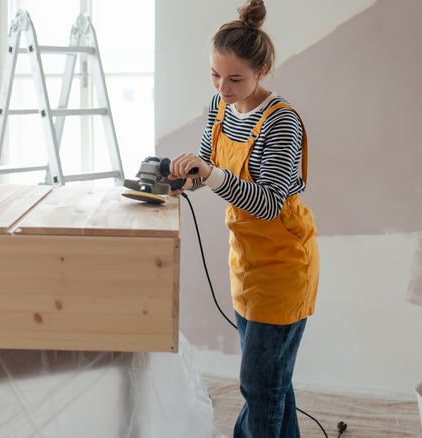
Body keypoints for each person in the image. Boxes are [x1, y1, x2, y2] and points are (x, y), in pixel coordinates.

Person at [167, 0, 320, 436]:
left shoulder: (281, 122)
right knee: (271, 381)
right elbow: (209, 168)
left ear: (263, 69)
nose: (223, 87)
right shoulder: (220, 107)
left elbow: (269, 202)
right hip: (246, 260)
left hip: (284, 263)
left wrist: (210, 175)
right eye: (215, 75)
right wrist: (185, 178)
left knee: (258, 382)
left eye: (235, 78)